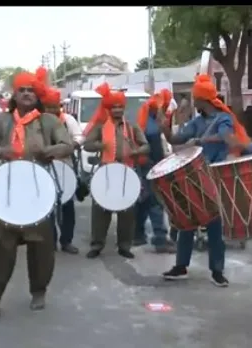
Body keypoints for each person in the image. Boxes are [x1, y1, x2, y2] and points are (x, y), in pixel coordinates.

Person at [0, 70, 72, 319]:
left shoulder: (49, 121)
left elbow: (68, 146)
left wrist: (48, 150)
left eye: (31, 90)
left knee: (41, 248)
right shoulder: (2, 121)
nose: (27, 94)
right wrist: (2, 151)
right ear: (15, 94)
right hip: (6, 192)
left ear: (37, 94)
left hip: (39, 193)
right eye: (22, 90)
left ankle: (39, 291)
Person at [159, 74, 250, 287]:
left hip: (215, 177)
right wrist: (165, 127)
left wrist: (201, 140)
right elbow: (175, 140)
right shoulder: (196, 122)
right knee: (187, 222)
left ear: (202, 100)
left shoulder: (223, 119)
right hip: (195, 178)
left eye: (195, 98)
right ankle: (181, 267)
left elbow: (227, 137)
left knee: (214, 226)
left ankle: (217, 271)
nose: (193, 101)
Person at [83, 83, 150, 259]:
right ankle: (97, 245)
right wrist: (100, 145)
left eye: (120, 107)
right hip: (105, 171)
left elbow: (146, 146)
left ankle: (124, 246)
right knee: (100, 211)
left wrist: (136, 151)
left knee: (127, 211)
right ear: (108, 108)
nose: (118, 110)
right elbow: (87, 144)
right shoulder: (100, 126)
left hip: (127, 172)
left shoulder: (131, 126)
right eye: (114, 107)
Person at [133, 89, 176, 253]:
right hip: (151, 166)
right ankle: (160, 238)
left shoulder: (146, 120)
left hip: (145, 165)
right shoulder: (152, 125)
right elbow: (156, 150)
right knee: (155, 201)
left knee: (144, 201)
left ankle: (137, 234)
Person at [41, 87, 83, 254]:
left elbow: (79, 137)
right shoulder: (38, 121)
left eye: (55, 106)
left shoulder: (68, 120)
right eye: (48, 107)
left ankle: (66, 241)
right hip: (44, 168)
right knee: (46, 208)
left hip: (66, 167)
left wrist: (72, 145)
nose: (52, 110)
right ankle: (49, 242)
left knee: (67, 207)